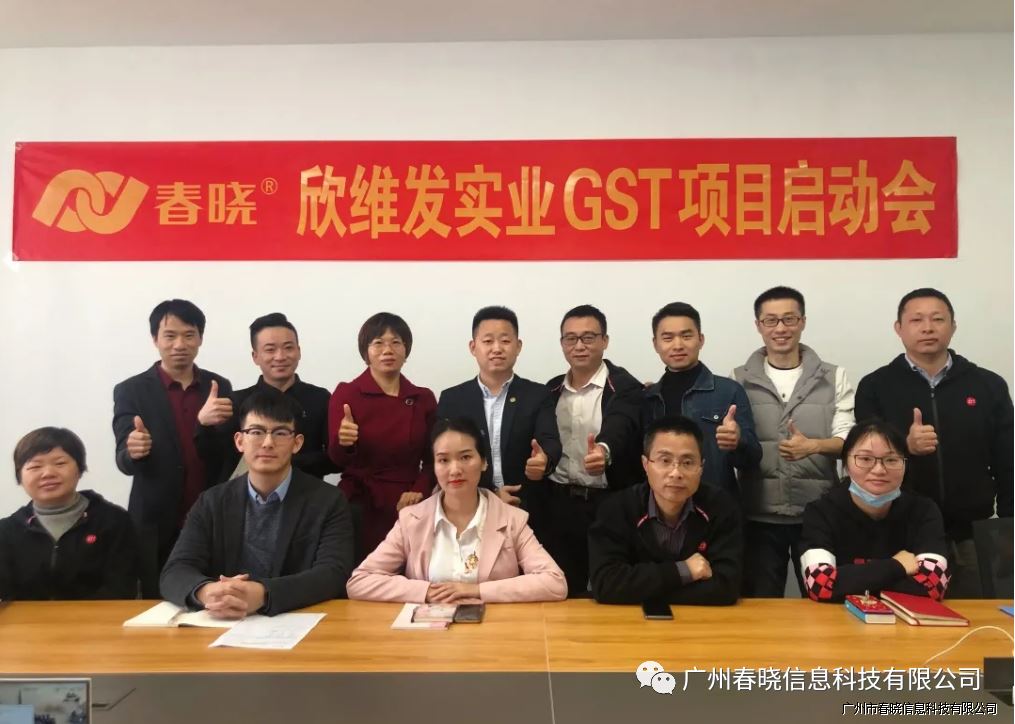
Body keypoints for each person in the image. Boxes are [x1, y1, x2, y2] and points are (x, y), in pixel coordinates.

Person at [855, 288, 1013, 598]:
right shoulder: (875, 386)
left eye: (937, 319)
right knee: (903, 616)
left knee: (976, 616)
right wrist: (905, 447)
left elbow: (1008, 459)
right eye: (916, 320)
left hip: (972, 532)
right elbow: (863, 460)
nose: (927, 328)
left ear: (953, 326)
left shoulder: (988, 384)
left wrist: (1008, 525)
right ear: (899, 328)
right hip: (900, 532)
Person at [160, 389, 353, 618]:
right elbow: (175, 570)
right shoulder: (211, 502)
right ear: (239, 441)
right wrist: (208, 592)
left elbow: (333, 573)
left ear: (297, 443)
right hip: (221, 622)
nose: (268, 443)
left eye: (280, 433)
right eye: (256, 432)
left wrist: (262, 594)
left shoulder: (328, 501)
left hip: (295, 622)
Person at [346, 417, 567, 603]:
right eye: (443, 460)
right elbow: (360, 581)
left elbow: (555, 583)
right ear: (434, 466)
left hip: (493, 632)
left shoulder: (511, 519)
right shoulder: (412, 519)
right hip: (428, 634)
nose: (455, 470)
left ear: (484, 462)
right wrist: (425, 592)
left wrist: (477, 591)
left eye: (465, 457)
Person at [732, 286, 855, 597]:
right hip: (758, 512)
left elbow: (849, 441)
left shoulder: (833, 377)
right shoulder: (738, 379)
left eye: (789, 319)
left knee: (824, 599)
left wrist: (813, 446)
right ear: (758, 325)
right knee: (760, 603)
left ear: (802, 322)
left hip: (818, 513)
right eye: (770, 320)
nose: (781, 328)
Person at [112, 299, 234, 596]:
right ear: (155, 339)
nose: (180, 344)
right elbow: (124, 460)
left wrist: (208, 427)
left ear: (200, 338)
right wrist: (133, 450)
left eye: (189, 335)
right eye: (170, 335)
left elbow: (228, 455)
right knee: (156, 602)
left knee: (212, 599)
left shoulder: (218, 386)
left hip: (210, 516)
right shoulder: (131, 390)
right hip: (155, 520)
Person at [588, 415, 742, 605]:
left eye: (687, 463)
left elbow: (726, 587)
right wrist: (683, 571)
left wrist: (641, 590)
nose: (676, 473)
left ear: (701, 467)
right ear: (646, 464)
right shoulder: (617, 508)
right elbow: (606, 584)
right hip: (629, 620)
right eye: (665, 460)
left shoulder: (721, 507)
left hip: (700, 621)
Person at [436, 306, 561, 540]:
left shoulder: (537, 395)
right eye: (488, 341)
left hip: (529, 507)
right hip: (470, 507)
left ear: (518, 346)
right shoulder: (452, 399)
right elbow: (443, 455)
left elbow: (550, 440)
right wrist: (490, 494)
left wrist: (544, 461)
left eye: (505, 341)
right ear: (473, 347)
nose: (496, 348)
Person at [544, 304, 644, 596]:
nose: (579, 346)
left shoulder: (625, 387)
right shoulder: (551, 390)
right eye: (571, 338)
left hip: (609, 503)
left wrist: (604, 450)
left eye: (588, 337)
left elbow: (621, 423)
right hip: (559, 502)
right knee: (564, 589)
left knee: (611, 588)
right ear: (562, 343)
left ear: (605, 341)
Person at [800, 420, 950, 602]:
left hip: (903, 618)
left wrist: (849, 581)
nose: (879, 470)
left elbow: (933, 586)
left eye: (891, 460)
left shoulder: (924, 511)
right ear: (846, 464)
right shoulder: (820, 512)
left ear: (905, 465)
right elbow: (820, 585)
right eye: (865, 459)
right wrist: (897, 566)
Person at [327, 313, 437, 556]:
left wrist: (419, 490)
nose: (388, 350)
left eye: (396, 342)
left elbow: (434, 460)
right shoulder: (347, 393)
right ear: (365, 351)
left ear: (406, 349)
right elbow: (336, 459)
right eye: (378, 343)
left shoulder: (423, 398)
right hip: (361, 502)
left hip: (410, 500)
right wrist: (344, 443)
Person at [0, 427, 139, 601]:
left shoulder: (113, 521)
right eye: (35, 466)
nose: (48, 473)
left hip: (98, 617)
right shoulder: (6, 531)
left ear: (79, 469)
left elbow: (121, 588)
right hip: (26, 619)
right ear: (20, 477)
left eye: (60, 463)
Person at [643, 302, 761, 495]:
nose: (678, 345)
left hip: (716, 504)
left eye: (686, 336)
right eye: (668, 338)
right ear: (655, 344)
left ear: (701, 339)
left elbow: (752, 459)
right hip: (662, 505)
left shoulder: (728, 391)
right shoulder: (648, 398)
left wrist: (738, 441)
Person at [216, 313, 336, 480]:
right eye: (270, 349)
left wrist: (285, 462)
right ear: (255, 356)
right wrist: (204, 424)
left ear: (299, 351)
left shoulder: (320, 398)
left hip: (308, 493)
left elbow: (334, 459)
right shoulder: (237, 402)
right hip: (249, 493)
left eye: (288, 348)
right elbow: (218, 457)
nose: (280, 356)